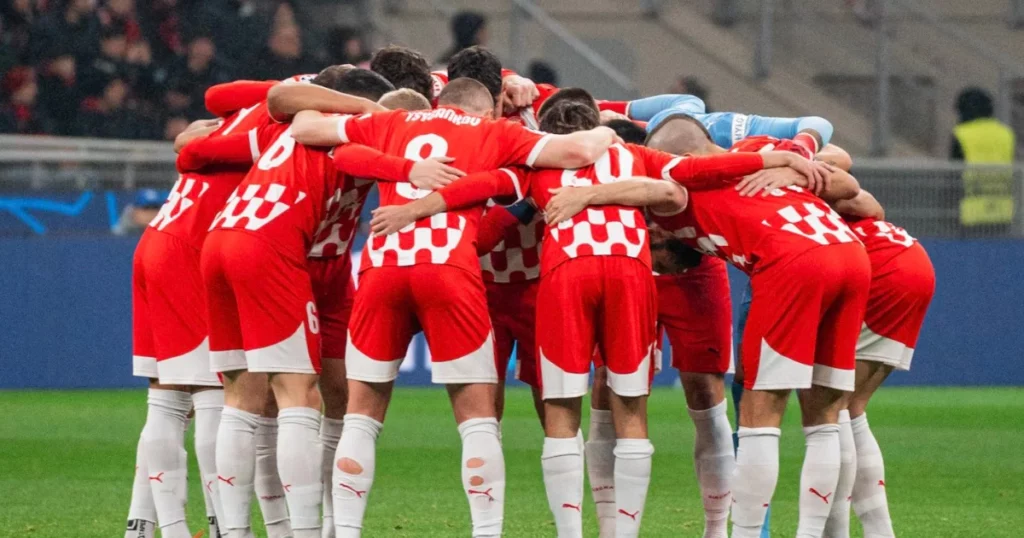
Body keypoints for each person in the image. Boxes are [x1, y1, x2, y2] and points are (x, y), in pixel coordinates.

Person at [362, 95, 821, 538]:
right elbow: (695, 173)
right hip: (632, 273)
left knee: (565, 407)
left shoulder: (539, 166)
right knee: (629, 406)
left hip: (578, 276)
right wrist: (773, 162)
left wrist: (416, 210)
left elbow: (483, 190)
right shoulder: (637, 154)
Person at [288, 77, 618, 537]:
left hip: (382, 266)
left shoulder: (391, 120)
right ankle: (485, 532)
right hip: (450, 268)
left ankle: (344, 531)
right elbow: (577, 153)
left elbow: (307, 130)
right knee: (478, 420)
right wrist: (606, 130)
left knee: (360, 418)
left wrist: (404, 169)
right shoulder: (492, 132)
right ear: (484, 111)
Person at [175, 69, 398, 538]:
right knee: (299, 397)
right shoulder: (337, 125)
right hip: (270, 249)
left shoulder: (296, 131)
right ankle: (304, 532)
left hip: (223, 242)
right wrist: (373, 116)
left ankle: (233, 532)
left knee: (241, 400)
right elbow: (278, 95)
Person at [642, 118, 864, 538]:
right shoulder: (759, 148)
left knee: (760, 416)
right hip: (849, 257)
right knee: (825, 417)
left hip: (792, 263)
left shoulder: (678, 190)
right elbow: (850, 188)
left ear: (687, 160)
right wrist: (798, 168)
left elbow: (635, 189)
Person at [821, 190, 936, 538]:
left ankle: (836, 533)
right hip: (908, 258)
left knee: (830, 407)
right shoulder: (813, 184)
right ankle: (878, 532)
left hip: (881, 270)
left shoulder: (784, 186)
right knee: (850, 408)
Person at [950, 87, 1016, 233]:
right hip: (1002, 209)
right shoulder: (1006, 133)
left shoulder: (962, 133)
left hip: (970, 210)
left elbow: (952, 175)